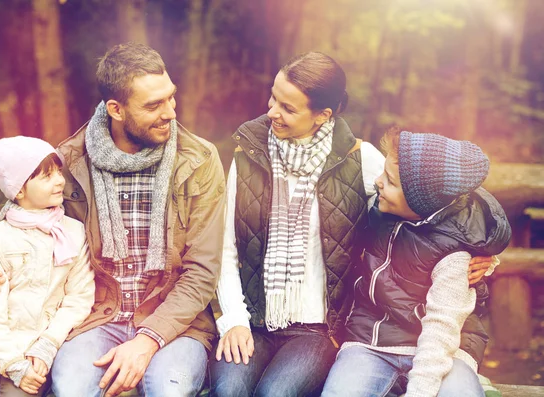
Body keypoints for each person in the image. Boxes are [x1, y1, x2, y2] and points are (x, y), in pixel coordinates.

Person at [210, 52, 495, 397]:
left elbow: (435, 200)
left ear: (322, 116)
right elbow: (225, 248)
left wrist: (486, 250)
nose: (271, 111)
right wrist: (234, 321)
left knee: (275, 394)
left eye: (288, 107)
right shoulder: (248, 156)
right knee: (227, 392)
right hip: (252, 319)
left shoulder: (358, 160)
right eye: (274, 97)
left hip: (316, 328)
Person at [0, 42, 226, 397]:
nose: (170, 113)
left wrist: (147, 340)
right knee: (71, 388)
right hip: (95, 315)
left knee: (170, 390)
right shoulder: (69, 161)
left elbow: (202, 271)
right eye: (153, 105)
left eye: (170, 97)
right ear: (115, 109)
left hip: (174, 321)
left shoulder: (199, 160)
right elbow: (19, 223)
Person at [321, 128, 511, 397]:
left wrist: (420, 391)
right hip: (373, 339)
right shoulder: (380, 208)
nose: (377, 182)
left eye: (389, 180)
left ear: (419, 200)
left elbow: (440, 333)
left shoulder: (456, 254)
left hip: (447, 348)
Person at [0, 136, 95, 397]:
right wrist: (10, 362)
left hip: (36, 349)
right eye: (46, 176)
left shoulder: (74, 233)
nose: (59, 181)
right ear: (19, 190)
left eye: (58, 172)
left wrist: (47, 345)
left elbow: (79, 298)